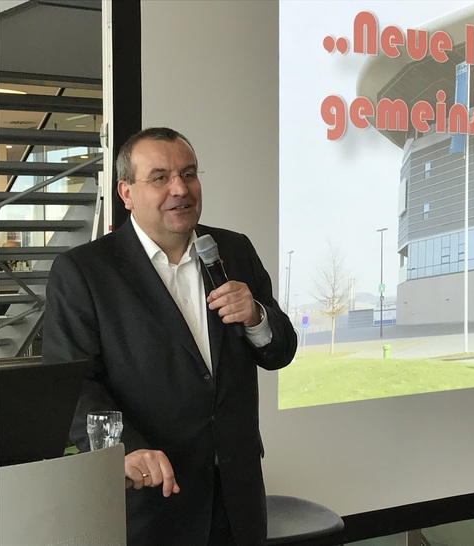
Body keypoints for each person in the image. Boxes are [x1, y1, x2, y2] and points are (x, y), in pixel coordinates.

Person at [42, 127, 297, 545]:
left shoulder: (234, 250)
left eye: (189, 174)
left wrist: (256, 316)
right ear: (126, 193)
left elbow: (280, 351)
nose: (180, 188)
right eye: (160, 177)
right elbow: (72, 387)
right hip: (151, 500)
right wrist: (126, 448)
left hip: (237, 496)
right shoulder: (85, 272)